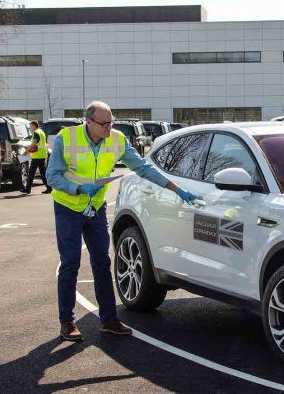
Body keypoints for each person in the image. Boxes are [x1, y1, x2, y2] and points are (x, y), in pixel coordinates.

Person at [46, 101, 200, 341]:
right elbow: (52, 176)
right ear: (89, 122)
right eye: (104, 124)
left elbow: (143, 167)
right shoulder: (66, 139)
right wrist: (77, 188)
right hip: (68, 207)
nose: (109, 128)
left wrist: (175, 189)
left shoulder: (117, 139)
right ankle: (67, 322)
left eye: (111, 122)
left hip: (95, 208)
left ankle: (109, 320)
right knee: (70, 264)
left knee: (102, 262)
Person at [22, 121, 52, 194]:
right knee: (43, 173)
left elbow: (34, 144)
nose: (30, 128)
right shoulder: (41, 132)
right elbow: (39, 144)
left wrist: (26, 151)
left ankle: (28, 189)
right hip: (42, 155)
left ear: (34, 126)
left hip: (37, 156)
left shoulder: (36, 133)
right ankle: (49, 188)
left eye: (30, 126)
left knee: (31, 173)